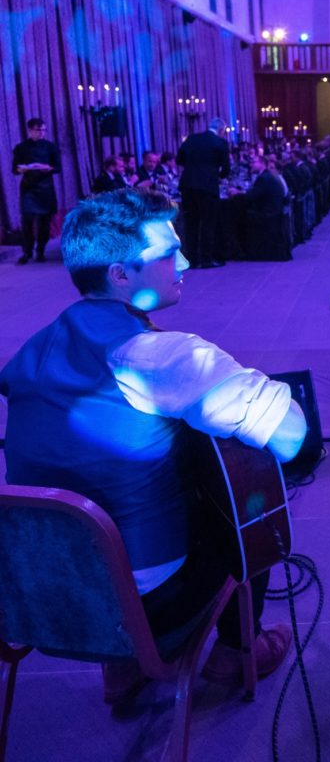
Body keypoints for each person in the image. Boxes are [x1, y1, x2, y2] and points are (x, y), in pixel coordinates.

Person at [0, 189, 307, 702]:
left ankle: (121, 672)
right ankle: (237, 652)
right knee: (246, 492)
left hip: (38, 596)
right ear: (121, 275)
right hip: (142, 609)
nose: (184, 261)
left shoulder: (35, 347)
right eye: (168, 254)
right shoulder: (159, 357)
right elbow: (292, 436)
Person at [177, 117, 230, 268]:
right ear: (221, 130)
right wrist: (216, 175)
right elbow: (226, 169)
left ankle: (191, 259)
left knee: (191, 223)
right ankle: (206, 259)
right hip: (207, 187)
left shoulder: (191, 138)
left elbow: (179, 160)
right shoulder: (220, 143)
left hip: (187, 185)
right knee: (208, 223)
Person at [12, 117, 62, 264]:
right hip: (28, 188)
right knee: (27, 220)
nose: (41, 133)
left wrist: (47, 167)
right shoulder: (21, 147)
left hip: (45, 187)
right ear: (30, 130)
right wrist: (25, 168)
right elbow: (14, 169)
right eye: (38, 130)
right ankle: (26, 252)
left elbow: (57, 167)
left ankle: (40, 250)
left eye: (43, 130)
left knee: (44, 222)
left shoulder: (50, 147)